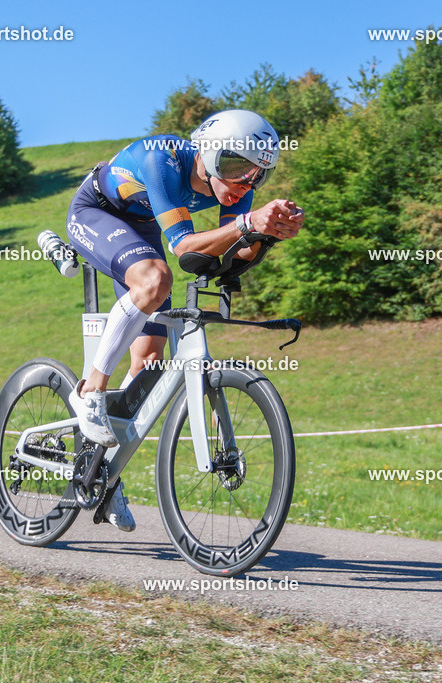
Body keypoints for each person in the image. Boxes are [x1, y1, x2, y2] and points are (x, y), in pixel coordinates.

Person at [65, 109, 304, 531]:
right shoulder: (164, 159)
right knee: (155, 279)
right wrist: (249, 223)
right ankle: (90, 392)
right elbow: (185, 248)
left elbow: (228, 254)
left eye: (256, 176)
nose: (244, 183)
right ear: (210, 154)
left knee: (150, 366)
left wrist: (268, 233)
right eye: (235, 168)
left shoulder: (237, 188)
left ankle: (104, 471)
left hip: (144, 230)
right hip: (97, 213)